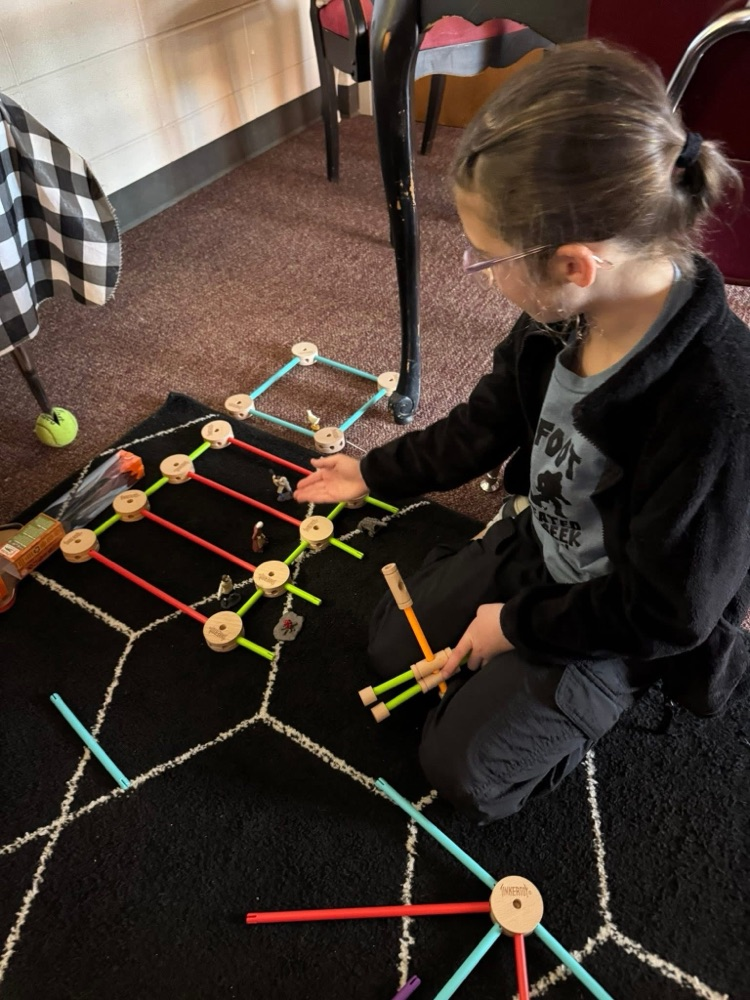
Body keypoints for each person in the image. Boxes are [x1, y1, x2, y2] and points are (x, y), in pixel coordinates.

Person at [294, 41, 750, 824]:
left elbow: (669, 612)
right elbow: (485, 421)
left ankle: (594, 697)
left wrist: (511, 626)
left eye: (488, 257)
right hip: (544, 539)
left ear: (575, 263)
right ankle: (501, 583)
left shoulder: (719, 405)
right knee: (390, 648)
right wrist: (373, 474)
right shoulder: (563, 313)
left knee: (464, 774)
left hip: (625, 614)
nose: (481, 270)